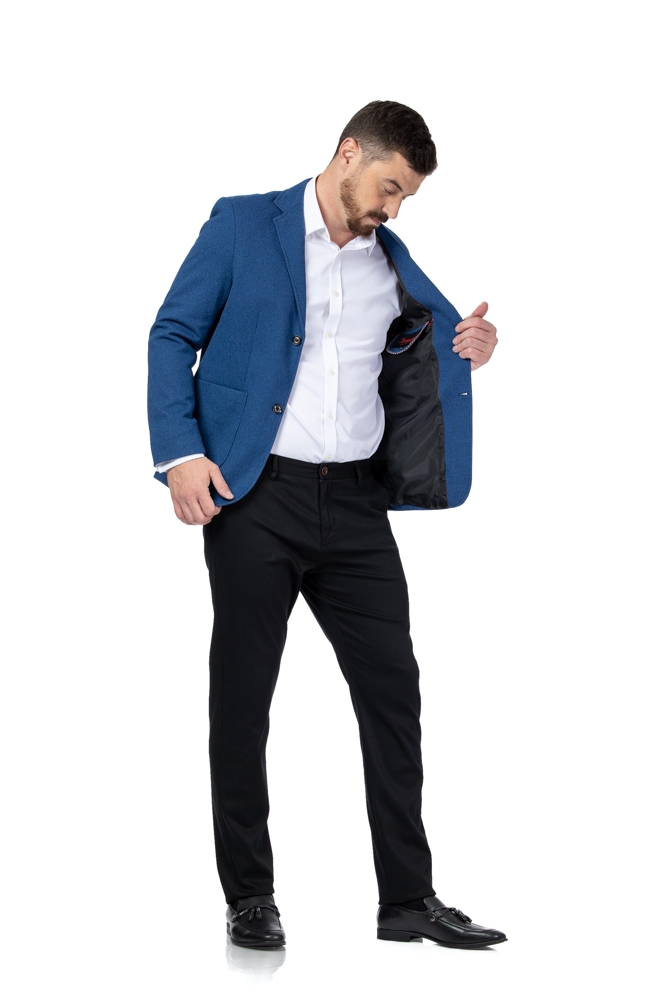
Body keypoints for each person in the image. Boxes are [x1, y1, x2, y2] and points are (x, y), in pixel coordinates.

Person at [147, 101, 505, 950]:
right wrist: (180, 453)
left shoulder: (389, 260)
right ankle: (249, 896)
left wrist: (471, 345)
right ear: (348, 153)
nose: (393, 207)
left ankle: (406, 900)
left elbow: (416, 349)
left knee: (393, 695)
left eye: (405, 196)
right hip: (255, 497)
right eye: (388, 186)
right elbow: (171, 334)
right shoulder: (244, 225)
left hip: (354, 506)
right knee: (243, 700)